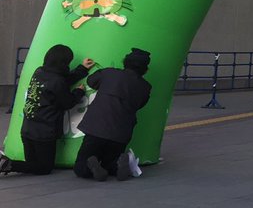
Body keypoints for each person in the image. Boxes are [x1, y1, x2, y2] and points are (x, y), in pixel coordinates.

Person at [1, 44, 95, 176]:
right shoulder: (57, 81)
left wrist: (82, 69)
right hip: (43, 133)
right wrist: (79, 92)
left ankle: (6, 164)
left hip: (27, 130)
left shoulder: (39, 72)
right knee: (44, 168)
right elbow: (67, 102)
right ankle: (7, 164)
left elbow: (61, 82)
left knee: (32, 164)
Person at [73, 47, 152, 182]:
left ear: (124, 62)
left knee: (80, 168)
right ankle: (116, 165)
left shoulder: (109, 73)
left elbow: (91, 81)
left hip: (96, 127)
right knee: (110, 160)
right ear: (145, 70)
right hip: (121, 132)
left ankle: (91, 164)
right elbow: (140, 104)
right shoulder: (145, 87)